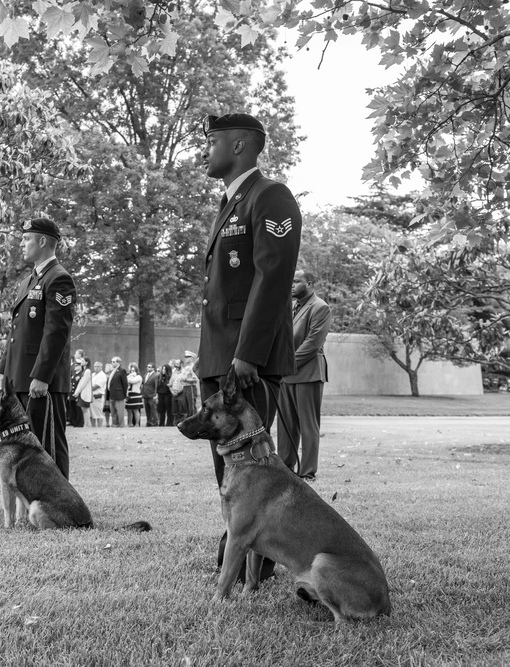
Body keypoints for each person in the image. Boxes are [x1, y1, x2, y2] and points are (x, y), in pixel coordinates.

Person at [198, 112, 302, 581]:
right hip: (223, 354)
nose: (204, 150)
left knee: (252, 470)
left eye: (211, 141)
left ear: (240, 145)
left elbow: (273, 275)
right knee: (230, 470)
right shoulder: (229, 203)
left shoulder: (270, 195)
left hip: (246, 360)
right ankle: (238, 561)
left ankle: (249, 568)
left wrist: (249, 353)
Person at [0, 217, 76, 480]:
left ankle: (60, 503)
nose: (22, 243)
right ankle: (33, 500)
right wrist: (1, 370)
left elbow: (56, 332)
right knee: (24, 446)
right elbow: (16, 332)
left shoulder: (59, 278)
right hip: (19, 376)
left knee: (46, 444)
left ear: (42, 241)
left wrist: (42, 376)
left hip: (41, 381)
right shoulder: (28, 281)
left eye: (26, 238)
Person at [277, 270, 331, 481]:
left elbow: (313, 343)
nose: (291, 284)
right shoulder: (292, 308)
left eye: (296, 281)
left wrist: (286, 365)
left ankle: (307, 472)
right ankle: (285, 468)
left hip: (307, 373)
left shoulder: (320, 307)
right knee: (285, 426)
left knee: (308, 426)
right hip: (286, 375)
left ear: (309, 283)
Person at [105, 356, 128, 428]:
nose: (112, 363)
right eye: (111, 361)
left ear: (118, 363)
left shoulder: (122, 371)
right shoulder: (113, 371)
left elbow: (125, 384)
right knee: (113, 411)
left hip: (119, 394)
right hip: (112, 394)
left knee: (120, 411)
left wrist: (124, 394)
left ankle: (121, 425)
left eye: (114, 362)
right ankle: (114, 424)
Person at [71, 356, 93, 426]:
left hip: (85, 392)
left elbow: (84, 382)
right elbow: (81, 382)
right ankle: (86, 424)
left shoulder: (87, 371)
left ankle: (87, 424)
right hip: (82, 392)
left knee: (85, 409)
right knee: (83, 409)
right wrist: (77, 391)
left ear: (86, 362)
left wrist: (78, 391)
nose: (81, 362)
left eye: (83, 361)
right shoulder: (84, 371)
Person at [68, 350, 87, 427]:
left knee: (78, 409)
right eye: (75, 366)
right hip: (72, 394)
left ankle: (79, 423)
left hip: (77, 394)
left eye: (77, 366)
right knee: (72, 409)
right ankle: (74, 421)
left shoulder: (80, 374)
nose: (75, 367)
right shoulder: (74, 375)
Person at [156, 358, 173, 427]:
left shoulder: (170, 377)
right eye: (162, 369)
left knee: (169, 409)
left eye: (165, 369)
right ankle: (161, 423)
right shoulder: (159, 377)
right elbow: (158, 387)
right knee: (161, 410)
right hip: (160, 395)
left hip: (168, 395)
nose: (163, 370)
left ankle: (169, 423)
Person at [89, 361, 106, 427]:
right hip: (91, 396)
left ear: (101, 367)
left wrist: (87, 390)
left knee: (99, 413)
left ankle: (99, 427)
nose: (96, 368)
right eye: (95, 366)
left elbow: (97, 386)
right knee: (92, 414)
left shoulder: (102, 375)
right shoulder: (92, 374)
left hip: (98, 396)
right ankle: (93, 427)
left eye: (98, 366)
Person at [125, 362, 143, 426]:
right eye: (131, 369)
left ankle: (137, 424)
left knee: (135, 410)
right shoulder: (128, 376)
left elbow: (131, 381)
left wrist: (131, 376)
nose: (132, 371)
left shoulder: (138, 377)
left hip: (136, 394)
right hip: (129, 394)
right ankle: (130, 423)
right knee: (129, 410)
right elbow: (126, 381)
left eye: (133, 370)